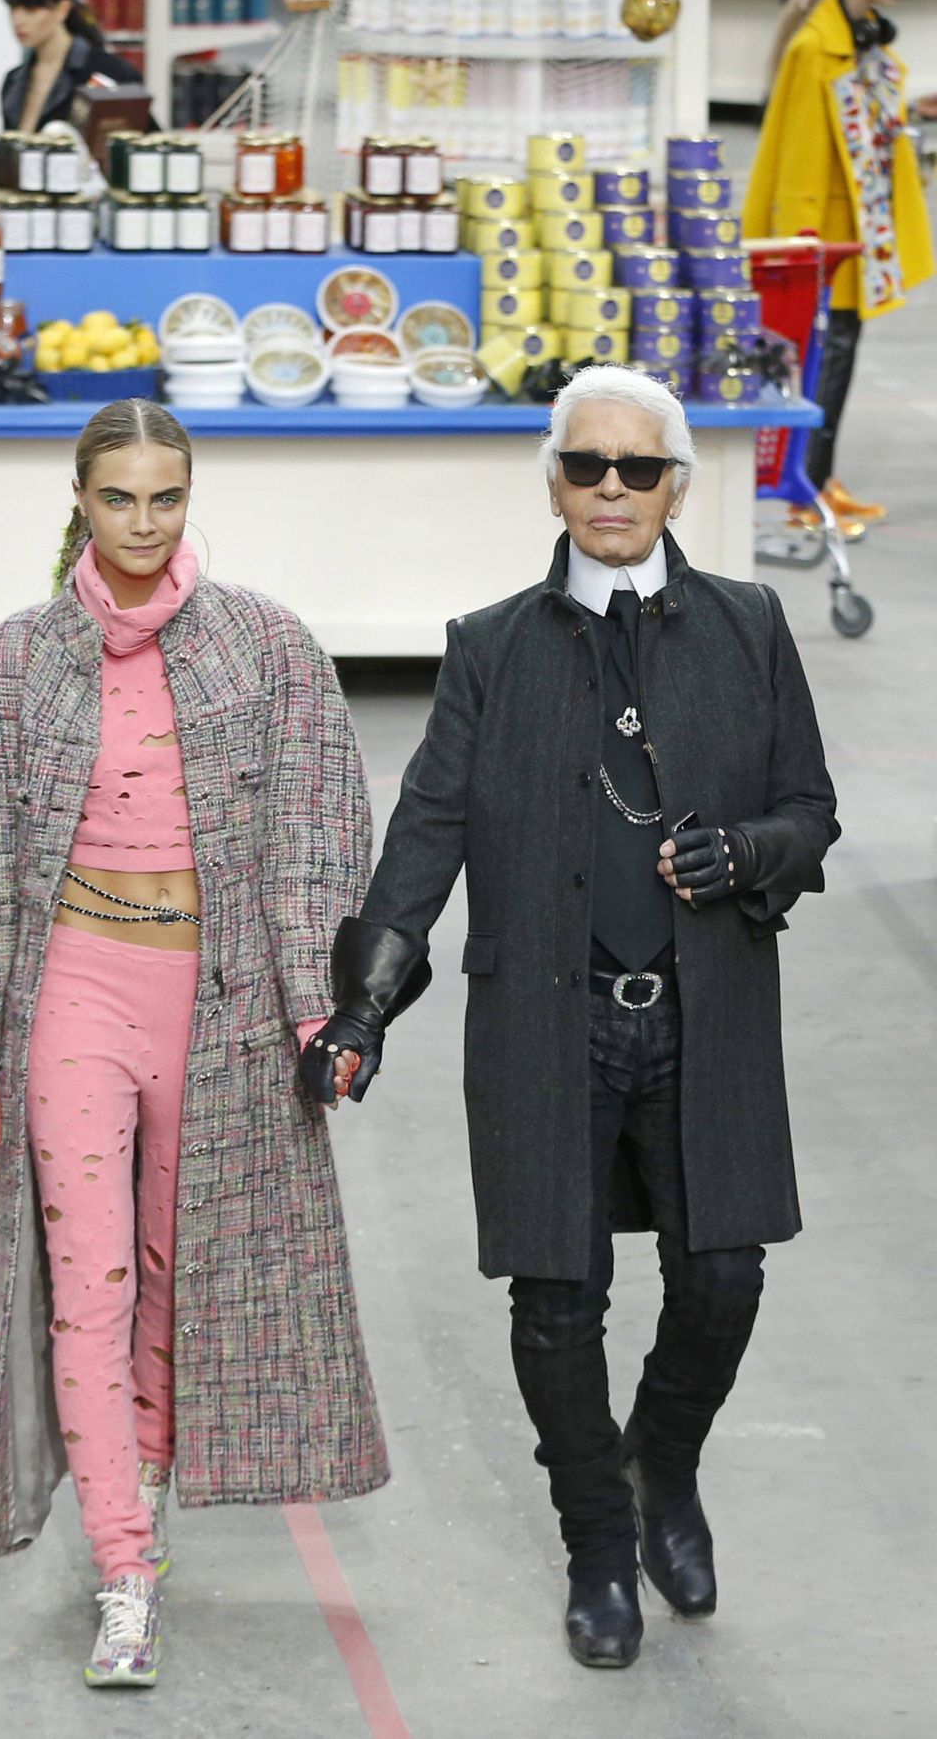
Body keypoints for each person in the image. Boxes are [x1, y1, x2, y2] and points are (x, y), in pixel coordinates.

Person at [302, 365, 839, 1669]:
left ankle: (663, 1462)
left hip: (706, 1018)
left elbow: (810, 811)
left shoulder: (749, 625)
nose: (612, 489)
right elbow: (430, 820)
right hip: (545, 1022)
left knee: (724, 1274)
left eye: (638, 469)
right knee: (558, 1298)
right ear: (554, 481)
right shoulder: (491, 645)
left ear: (675, 489)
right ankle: (600, 1542)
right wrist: (363, 1005)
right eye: (588, 467)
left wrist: (748, 855)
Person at [0, 400, 387, 1689]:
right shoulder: (10, 667)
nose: (140, 524)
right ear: (79, 499)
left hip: (218, 1005)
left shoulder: (266, 650)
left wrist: (317, 1008)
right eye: (116, 499)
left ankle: (148, 1488)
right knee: (89, 1283)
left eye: (162, 499)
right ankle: (123, 1564)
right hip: (70, 990)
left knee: (183, 1273)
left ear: (190, 500)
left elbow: (315, 830)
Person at [743, 0, 934, 533]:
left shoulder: (868, 44)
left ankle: (819, 482)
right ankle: (807, 494)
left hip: (858, 231)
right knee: (822, 360)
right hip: (824, 236)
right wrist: (803, 246)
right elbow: (795, 160)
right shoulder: (815, 50)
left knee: (838, 358)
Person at [0, 0, 146, 138]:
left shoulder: (109, 72)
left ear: (62, 9)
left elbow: (141, 143)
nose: (18, 20)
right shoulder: (13, 82)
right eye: (13, 8)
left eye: (32, 9)